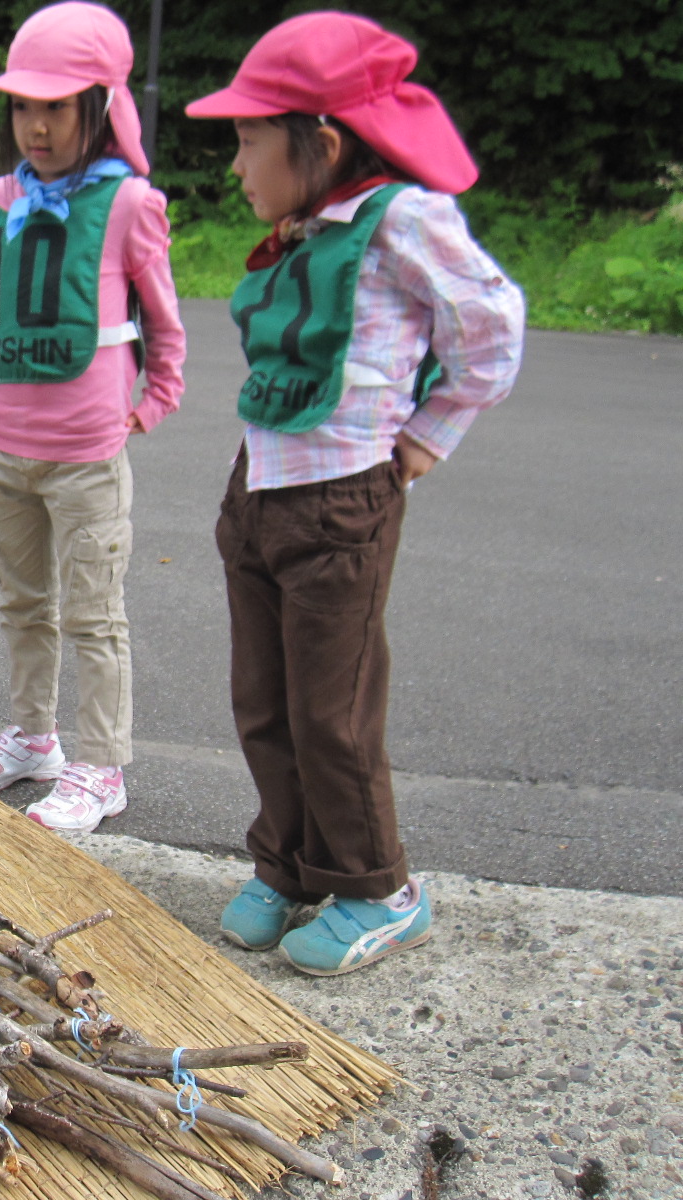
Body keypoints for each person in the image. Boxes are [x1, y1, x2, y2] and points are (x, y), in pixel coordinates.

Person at [185, 12, 525, 974]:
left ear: (323, 143)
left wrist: (424, 439)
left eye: (250, 140)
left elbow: (493, 326)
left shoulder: (403, 219)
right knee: (265, 700)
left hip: (342, 504)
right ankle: (290, 865)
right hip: (260, 491)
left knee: (332, 712)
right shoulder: (307, 227)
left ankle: (378, 887)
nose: (237, 165)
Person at [0, 2, 187, 833]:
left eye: (57, 107)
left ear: (102, 108)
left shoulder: (128, 204)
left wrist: (156, 398)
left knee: (94, 615)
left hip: (87, 454)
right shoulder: (0, 199)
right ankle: (33, 738)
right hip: (2, 445)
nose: (37, 126)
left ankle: (102, 766)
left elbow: (163, 317)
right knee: (23, 605)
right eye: (23, 107)